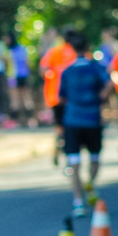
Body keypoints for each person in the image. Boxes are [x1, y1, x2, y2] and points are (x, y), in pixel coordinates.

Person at [58, 31, 112, 217]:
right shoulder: (96, 67)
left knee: (73, 163)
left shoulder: (67, 71)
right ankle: (90, 182)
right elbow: (109, 84)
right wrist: (100, 99)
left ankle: (78, 201)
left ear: (72, 48)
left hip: (72, 120)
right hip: (92, 120)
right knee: (95, 158)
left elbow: (61, 97)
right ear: (88, 47)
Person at [39, 28, 78, 165]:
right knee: (72, 126)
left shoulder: (54, 52)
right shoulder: (78, 53)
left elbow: (43, 70)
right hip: (73, 97)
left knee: (59, 126)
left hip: (55, 96)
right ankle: (69, 154)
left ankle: (59, 142)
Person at [3, 31, 36, 129]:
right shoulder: (22, 49)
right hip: (24, 76)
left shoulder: (8, 51)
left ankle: (14, 121)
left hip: (13, 77)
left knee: (15, 100)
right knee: (27, 99)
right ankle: (31, 121)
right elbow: (27, 62)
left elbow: (7, 64)